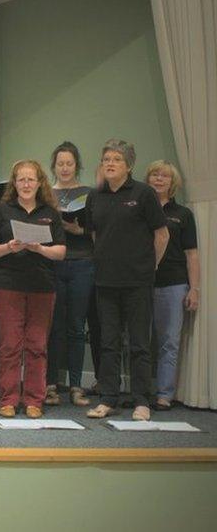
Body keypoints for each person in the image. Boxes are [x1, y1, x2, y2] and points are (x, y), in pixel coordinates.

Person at [85, 139, 168, 421]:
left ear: (129, 165)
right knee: (108, 342)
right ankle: (108, 397)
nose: (109, 163)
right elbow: (95, 234)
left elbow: (162, 234)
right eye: (106, 158)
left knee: (139, 344)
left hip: (137, 282)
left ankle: (142, 400)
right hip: (106, 281)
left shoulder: (144, 194)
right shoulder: (95, 196)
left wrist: (150, 266)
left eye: (116, 159)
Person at [0, 160, 66, 418]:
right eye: (22, 180)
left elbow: (61, 252)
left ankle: (34, 400)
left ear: (40, 182)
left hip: (42, 287)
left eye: (31, 179)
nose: (27, 184)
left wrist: (40, 248)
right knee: (9, 344)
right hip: (8, 285)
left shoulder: (50, 213)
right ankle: (8, 398)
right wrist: (9, 247)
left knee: (37, 345)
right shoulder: (1, 211)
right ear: (14, 183)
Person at [146, 160, 199, 411]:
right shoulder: (139, 211)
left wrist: (194, 288)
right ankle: (140, 391)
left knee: (169, 341)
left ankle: (164, 394)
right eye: (154, 175)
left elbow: (192, 254)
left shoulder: (183, 215)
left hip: (174, 284)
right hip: (141, 283)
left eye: (164, 176)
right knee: (140, 340)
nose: (159, 179)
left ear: (172, 183)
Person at [46, 141, 94, 407]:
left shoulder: (90, 193)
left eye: (69, 163)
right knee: (53, 326)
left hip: (82, 263)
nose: (65, 168)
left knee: (77, 327)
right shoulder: (46, 193)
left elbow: (98, 231)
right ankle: (50, 384)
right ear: (53, 166)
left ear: (77, 165)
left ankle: (76, 385)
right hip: (54, 263)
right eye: (60, 163)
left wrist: (79, 231)